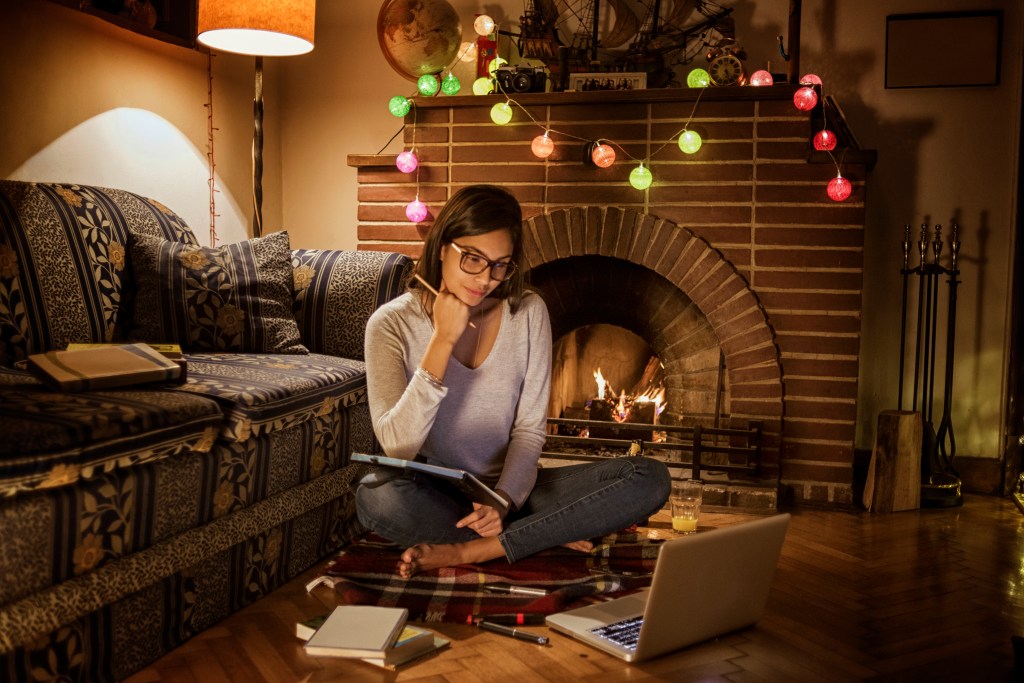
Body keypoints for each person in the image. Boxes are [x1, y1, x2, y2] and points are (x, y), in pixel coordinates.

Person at [356, 184, 670, 578]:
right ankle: (539, 538)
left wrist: (502, 502)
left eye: (499, 264)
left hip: (517, 491)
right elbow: (398, 447)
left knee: (647, 477)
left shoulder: (528, 311)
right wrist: (441, 341)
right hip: (443, 494)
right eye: (472, 258)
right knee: (376, 495)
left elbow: (528, 432)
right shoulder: (390, 324)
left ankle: (480, 549)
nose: (485, 278)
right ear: (440, 247)